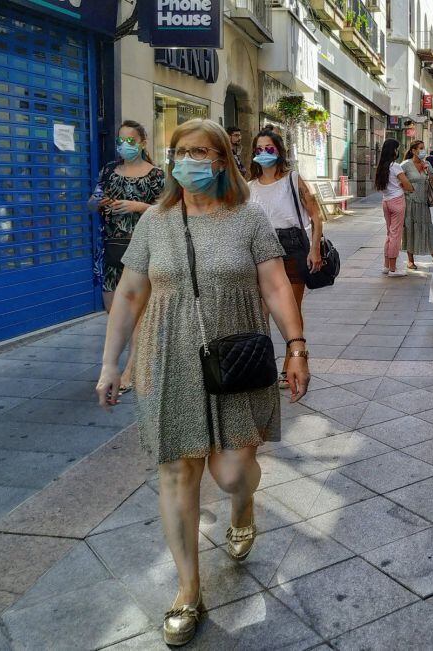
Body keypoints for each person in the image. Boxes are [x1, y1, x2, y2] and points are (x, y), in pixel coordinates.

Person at [95, 118, 309, 647]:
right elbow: (128, 295)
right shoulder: (157, 223)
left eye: (203, 151)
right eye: (182, 151)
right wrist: (109, 363)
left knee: (234, 471)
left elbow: (277, 284)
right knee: (177, 472)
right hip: (166, 358)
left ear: (222, 161)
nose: (192, 160)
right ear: (172, 159)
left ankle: (242, 505)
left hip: (235, 358)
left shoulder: (249, 218)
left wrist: (297, 346)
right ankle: (188, 589)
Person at [88, 120, 166, 392]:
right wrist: (102, 202)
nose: (124, 146)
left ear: (142, 143)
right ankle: (125, 362)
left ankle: (132, 368)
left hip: (142, 249)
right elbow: (92, 201)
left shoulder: (157, 176)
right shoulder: (109, 171)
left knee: (139, 311)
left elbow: (168, 211)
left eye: (130, 141)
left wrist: (138, 206)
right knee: (115, 311)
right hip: (111, 248)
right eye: (120, 140)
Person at [246, 129, 324, 387]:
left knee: (290, 308)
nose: (264, 153)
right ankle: (263, 364)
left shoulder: (293, 180)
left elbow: (315, 215)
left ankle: (294, 360)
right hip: (259, 249)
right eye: (259, 149)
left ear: (279, 151)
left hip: (291, 247)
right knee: (260, 312)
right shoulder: (249, 188)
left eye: (269, 148)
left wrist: (315, 249)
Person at [374, 139, 415, 276]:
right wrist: (408, 187)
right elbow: (407, 184)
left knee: (389, 234)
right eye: (397, 148)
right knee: (396, 235)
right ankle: (393, 268)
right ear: (393, 151)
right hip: (397, 201)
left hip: (386, 201)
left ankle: (386, 266)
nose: (398, 151)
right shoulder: (395, 166)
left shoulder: (381, 167)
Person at [401, 140, 433, 270]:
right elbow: (397, 181)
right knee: (410, 229)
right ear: (413, 151)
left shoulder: (428, 164)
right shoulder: (405, 165)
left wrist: (429, 173)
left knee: (427, 229)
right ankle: (410, 260)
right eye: (420, 148)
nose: (423, 150)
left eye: (424, 148)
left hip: (423, 203)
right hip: (410, 202)